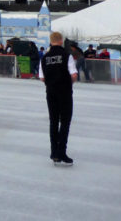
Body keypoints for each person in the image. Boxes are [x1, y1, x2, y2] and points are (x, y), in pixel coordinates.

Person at [40, 31, 78, 165]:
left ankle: (54, 152)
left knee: (53, 121)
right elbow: (73, 75)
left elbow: (42, 77)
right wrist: (68, 83)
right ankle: (62, 151)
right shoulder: (66, 56)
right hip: (65, 92)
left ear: (50, 41)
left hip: (51, 93)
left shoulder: (44, 58)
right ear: (61, 41)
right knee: (65, 121)